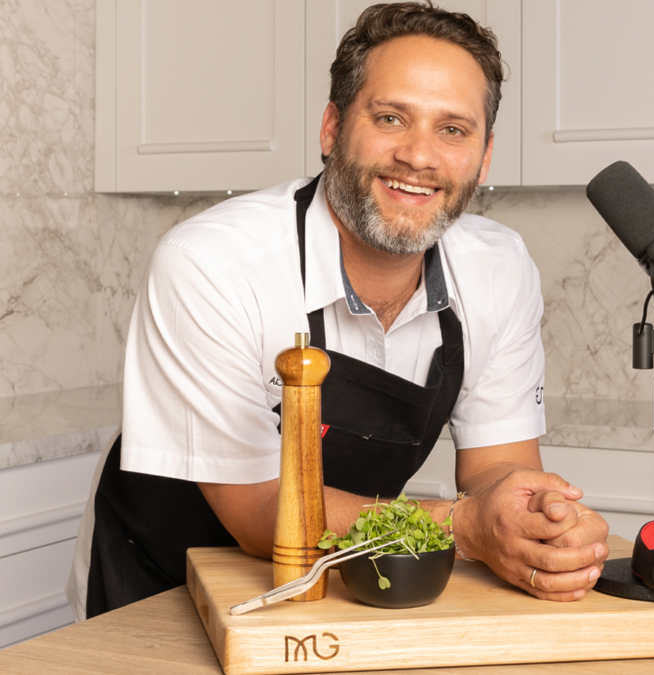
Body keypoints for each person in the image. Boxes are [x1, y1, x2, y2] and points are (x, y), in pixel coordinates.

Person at [66, 1, 608, 621]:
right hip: (158, 580)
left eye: (453, 130)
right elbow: (260, 510)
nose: (420, 156)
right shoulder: (211, 263)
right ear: (331, 128)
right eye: (391, 118)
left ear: (484, 157)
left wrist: (533, 517)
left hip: (339, 574)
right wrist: (464, 526)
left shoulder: (499, 267)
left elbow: (498, 463)